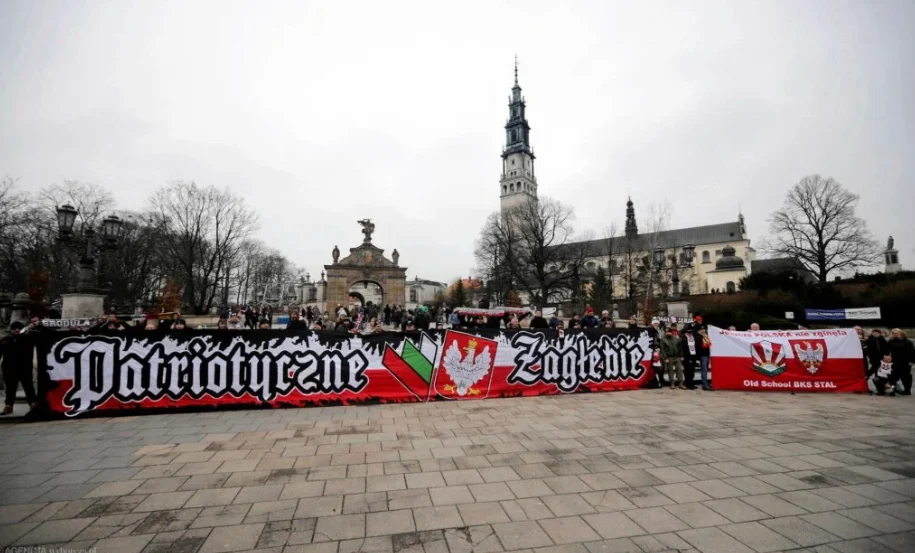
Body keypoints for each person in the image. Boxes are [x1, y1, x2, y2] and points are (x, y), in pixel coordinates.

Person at [1, 321, 38, 416]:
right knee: (10, 388)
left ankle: (33, 404)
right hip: (9, 368)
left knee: (28, 386)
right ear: (11, 330)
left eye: (19, 328)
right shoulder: (6, 340)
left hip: (24, 367)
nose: (17, 330)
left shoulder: (28, 339)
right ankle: (8, 405)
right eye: (14, 328)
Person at [887, 329, 914, 395]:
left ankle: (907, 390)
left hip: (906, 362)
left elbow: (912, 352)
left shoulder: (908, 342)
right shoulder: (891, 341)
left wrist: (912, 361)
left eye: (897, 333)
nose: (896, 334)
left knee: (906, 377)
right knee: (892, 377)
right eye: (894, 333)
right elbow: (887, 351)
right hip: (895, 362)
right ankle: (892, 390)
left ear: (901, 333)